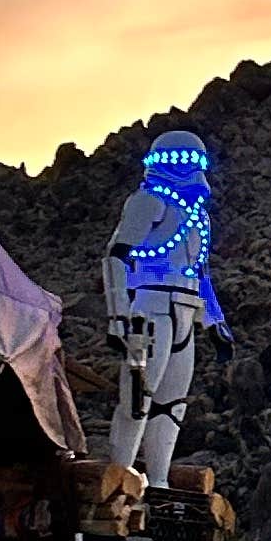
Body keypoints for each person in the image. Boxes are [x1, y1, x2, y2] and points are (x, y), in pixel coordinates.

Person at [98, 128, 229, 489]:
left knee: (172, 403)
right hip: (151, 308)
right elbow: (116, 255)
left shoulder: (197, 217)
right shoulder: (148, 202)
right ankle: (120, 476)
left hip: (185, 310)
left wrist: (216, 322)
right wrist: (118, 315)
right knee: (138, 397)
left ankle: (157, 481)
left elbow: (201, 274)